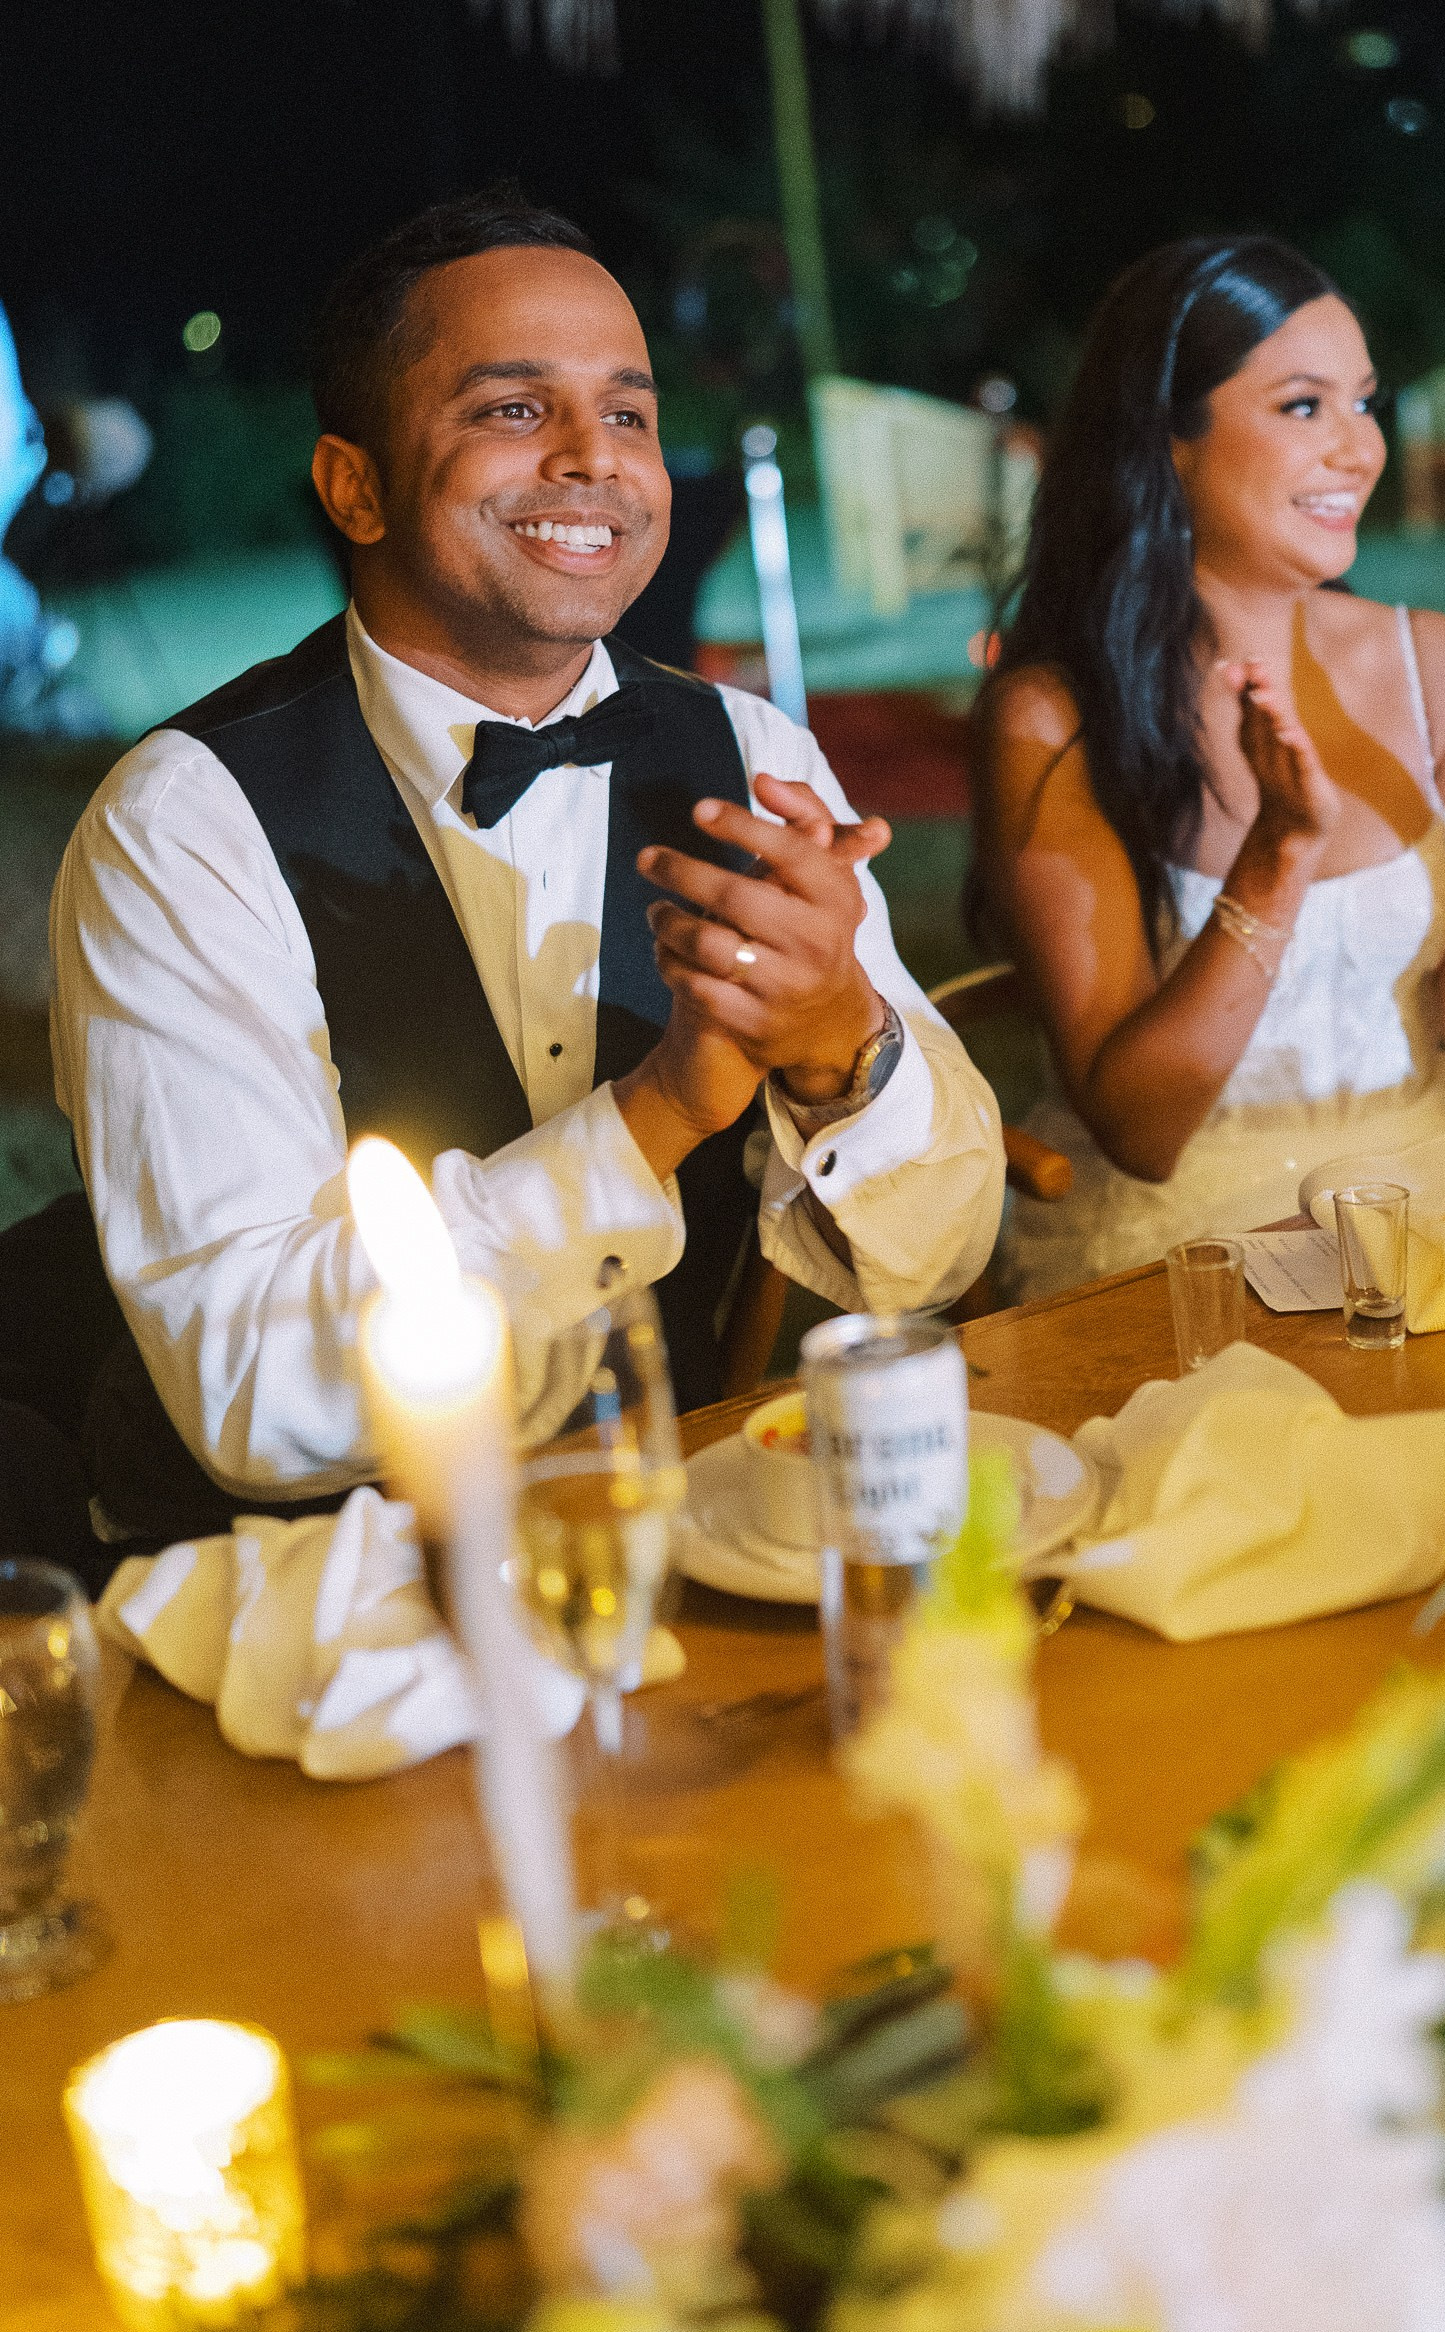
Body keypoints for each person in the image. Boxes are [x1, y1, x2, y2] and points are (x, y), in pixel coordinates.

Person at [5, 186, 1001, 1572]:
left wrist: (847, 1048)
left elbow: (939, 1257)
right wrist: (654, 1118)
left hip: (706, 1534)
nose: (597, 456)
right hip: (330, 1608)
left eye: (632, 411)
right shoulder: (184, 826)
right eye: (514, 410)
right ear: (353, 484)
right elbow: (252, 1394)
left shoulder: (752, 755)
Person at [974, 236, 1445, 1297]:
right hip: (1189, 1264)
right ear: (1169, 437)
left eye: (1363, 402)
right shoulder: (1056, 717)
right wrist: (1273, 861)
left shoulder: (1433, 662)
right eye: (1303, 407)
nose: (1358, 450)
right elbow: (1140, 1131)